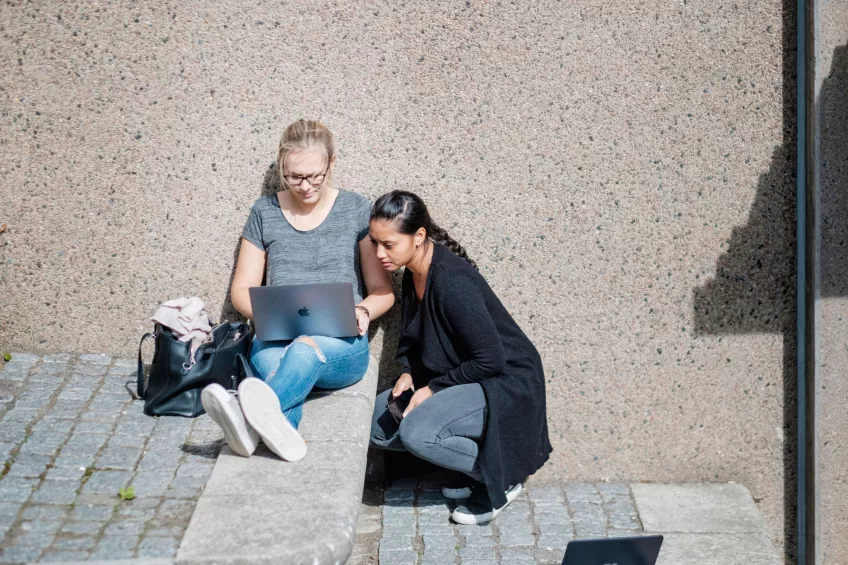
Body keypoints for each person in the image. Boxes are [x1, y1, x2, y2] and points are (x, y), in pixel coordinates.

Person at [201, 119, 394, 462]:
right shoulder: (265, 212)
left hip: (341, 346)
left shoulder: (355, 210)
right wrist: (270, 315)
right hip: (273, 341)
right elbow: (241, 291)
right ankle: (283, 437)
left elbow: (383, 290)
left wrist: (363, 311)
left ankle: (243, 424)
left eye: (315, 175)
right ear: (281, 169)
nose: (304, 186)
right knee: (289, 362)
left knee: (304, 350)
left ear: (332, 163)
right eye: (293, 177)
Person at [368, 190, 552, 525]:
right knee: (376, 425)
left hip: (506, 383)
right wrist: (409, 372)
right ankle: (478, 465)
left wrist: (433, 388)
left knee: (416, 433)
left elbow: (492, 360)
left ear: (419, 236)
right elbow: (418, 335)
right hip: (467, 375)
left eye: (389, 244)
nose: (380, 254)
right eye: (374, 243)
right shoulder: (413, 271)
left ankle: (500, 476)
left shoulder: (452, 281)